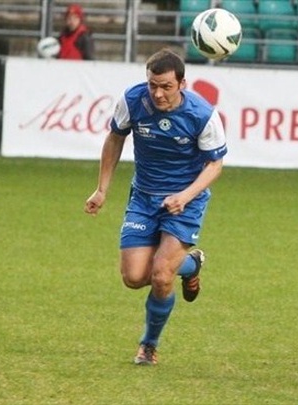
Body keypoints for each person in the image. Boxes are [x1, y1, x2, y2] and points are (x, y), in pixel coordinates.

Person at [84, 48, 227, 365]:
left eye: (166, 86)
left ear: (182, 84)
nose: (158, 93)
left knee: (162, 275)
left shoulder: (202, 115)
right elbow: (115, 138)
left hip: (185, 203)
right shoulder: (133, 100)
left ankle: (148, 346)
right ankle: (190, 265)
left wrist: (186, 195)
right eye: (153, 85)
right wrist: (102, 189)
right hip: (144, 197)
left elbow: (215, 165)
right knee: (134, 277)